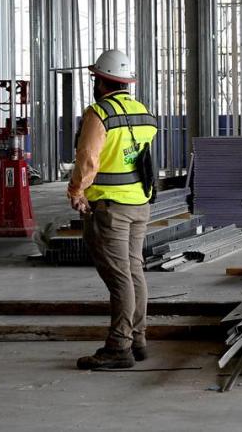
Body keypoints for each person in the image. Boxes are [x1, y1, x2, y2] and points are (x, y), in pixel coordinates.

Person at [67, 49, 158, 370]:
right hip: (139, 204)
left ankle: (119, 347)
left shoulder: (99, 113)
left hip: (109, 207)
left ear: (101, 81)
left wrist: (77, 190)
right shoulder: (142, 112)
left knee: (120, 278)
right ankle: (138, 338)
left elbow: (89, 159)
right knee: (134, 271)